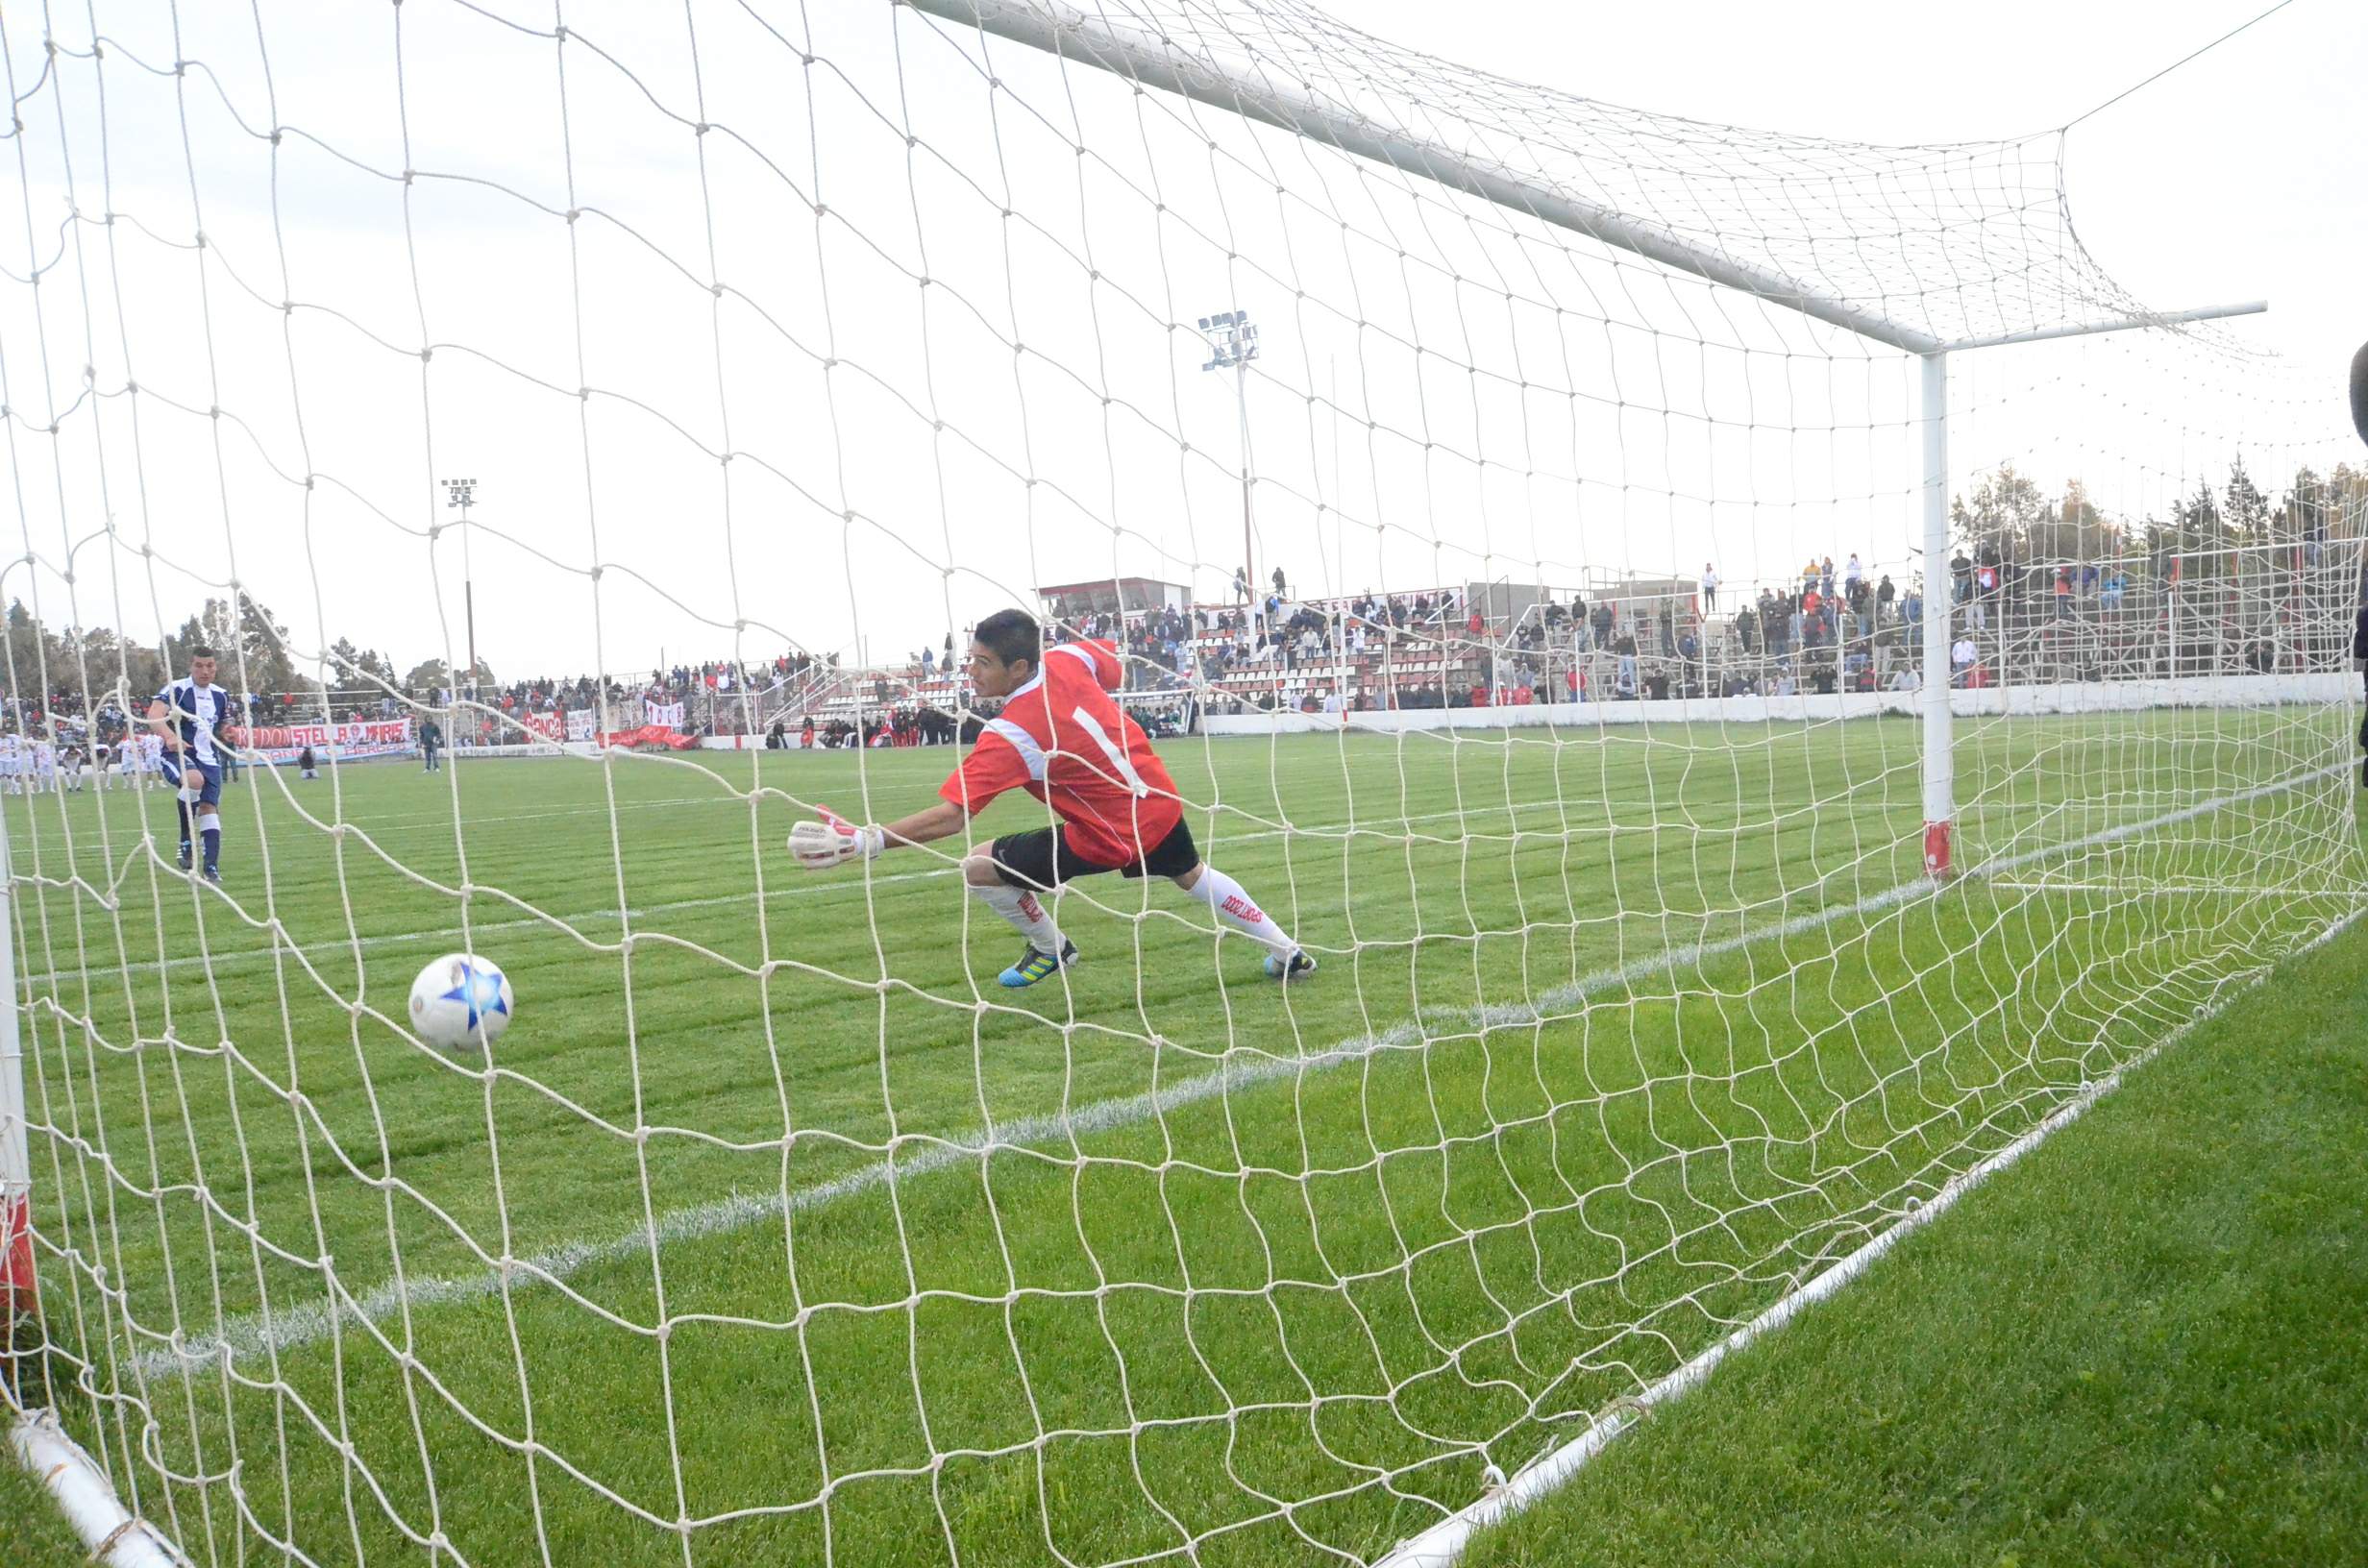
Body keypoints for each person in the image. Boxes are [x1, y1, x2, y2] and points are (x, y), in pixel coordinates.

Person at [790, 609, 1314, 988]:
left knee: (977, 867)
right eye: (971, 659)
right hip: (1156, 798)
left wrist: (868, 841)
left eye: (984, 663)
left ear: (1019, 668)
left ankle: (1052, 948)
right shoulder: (1068, 656)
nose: (972, 671)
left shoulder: (1014, 732)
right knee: (1192, 875)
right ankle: (1287, 951)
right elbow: (1113, 667)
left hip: (1109, 834)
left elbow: (951, 818)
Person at [146, 646, 243, 883]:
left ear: (216, 667)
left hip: (209, 759)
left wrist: (227, 732)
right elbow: (154, 714)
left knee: (209, 809)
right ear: (191, 666)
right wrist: (170, 736)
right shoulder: (177, 689)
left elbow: (221, 725)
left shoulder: (220, 694)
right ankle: (186, 840)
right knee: (194, 781)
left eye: (210, 666)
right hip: (178, 754)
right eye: (199, 666)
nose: (205, 671)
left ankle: (211, 868)